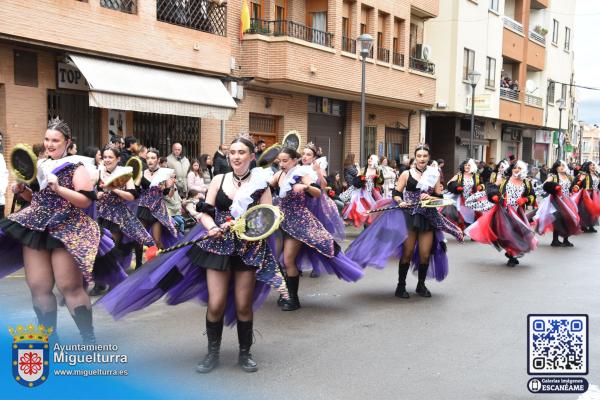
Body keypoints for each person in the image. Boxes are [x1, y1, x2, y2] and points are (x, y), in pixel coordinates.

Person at [99, 136, 287, 374]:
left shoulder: (261, 185)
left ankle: (244, 353)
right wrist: (212, 227)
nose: (236, 156)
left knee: (243, 306)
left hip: (247, 250)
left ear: (251, 156)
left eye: (241, 152)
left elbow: (266, 219)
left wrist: (243, 228)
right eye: (233, 152)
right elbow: (206, 212)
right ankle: (212, 353)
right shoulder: (219, 179)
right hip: (217, 246)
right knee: (216, 304)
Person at [0, 118, 100, 343]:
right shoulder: (41, 164)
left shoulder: (77, 165)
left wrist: (59, 188)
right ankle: (49, 339)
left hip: (66, 227)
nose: (50, 144)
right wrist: (22, 190)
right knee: (38, 286)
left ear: (67, 142)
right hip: (36, 225)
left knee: (69, 286)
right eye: (47, 139)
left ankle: (88, 338)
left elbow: (85, 201)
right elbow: (36, 198)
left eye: (55, 140)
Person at [346, 144, 464, 298]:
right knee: (407, 252)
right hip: (409, 215)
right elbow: (396, 192)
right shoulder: (406, 174)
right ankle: (400, 286)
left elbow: (440, 197)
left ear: (428, 158)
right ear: (415, 157)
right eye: (419, 156)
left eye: (425, 156)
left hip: (427, 216)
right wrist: (400, 201)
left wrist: (431, 197)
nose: (422, 159)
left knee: (425, 253)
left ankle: (421, 285)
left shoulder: (434, 174)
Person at [270, 147, 363, 310]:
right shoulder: (278, 175)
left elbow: (318, 192)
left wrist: (305, 188)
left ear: (294, 160)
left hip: (298, 221)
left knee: (288, 259)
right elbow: (264, 189)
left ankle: (293, 299)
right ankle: (284, 293)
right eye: (280, 161)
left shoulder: (301, 175)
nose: (282, 164)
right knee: (277, 259)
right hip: (279, 220)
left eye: (285, 161)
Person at [94, 147, 154, 294]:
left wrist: (113, 188)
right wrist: (98, 194)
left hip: (118, 215)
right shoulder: (98, 171)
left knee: (113, 248)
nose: (107, 159)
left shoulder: (125, 173)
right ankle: (99, 282)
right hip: (101, 214)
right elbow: (90, 191)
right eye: (105, 157)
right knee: (98, 248)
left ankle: (115, 280)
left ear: (118, 159)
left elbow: (132, 196)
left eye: (110, 157)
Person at [465, 160, 537, 267]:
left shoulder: (527, 182)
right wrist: (494, 195)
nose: (516, 170)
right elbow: (491, 187)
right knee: (506, 233)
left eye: (519, 168)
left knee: (517, 233)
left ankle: (512, 253)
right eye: (514, 168)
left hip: (518, 212)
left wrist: (525, 200)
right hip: (503, 211)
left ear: (523, 170)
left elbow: (532, 196)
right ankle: (511, 255)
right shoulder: (504, 180)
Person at [136, 148, 179, 249]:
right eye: (148, 158)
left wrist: (172, 185)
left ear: (158, 160)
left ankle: (162, 262)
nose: (150, 160)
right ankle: (139, 263)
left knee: (157, 240)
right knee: (140, 238)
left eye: (153, 158)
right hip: (143, 208)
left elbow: (169, 195)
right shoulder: (141, 173)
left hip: (158, 210)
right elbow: (136, 191)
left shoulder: (164, 173)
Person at [536, 160, 582, 247]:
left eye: (563, 166)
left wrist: (574, 188)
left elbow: (573, 186)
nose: (562, 167)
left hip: (567, 200)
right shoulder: (553, 177)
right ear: (556, 167)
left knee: (568, 219)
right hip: (555, 200)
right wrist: (554, 187)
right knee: (558, 219)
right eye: (559, 166)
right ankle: (555, 240)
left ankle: (566, 240)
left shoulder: (569, 177)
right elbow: (544, 186)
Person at [339, 154, 383, 227]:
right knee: (363, 209)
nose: (369, 159)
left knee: (373, 209)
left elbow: (381, 182)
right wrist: (362, 178)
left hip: (374, 192)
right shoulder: (363, 169)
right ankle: (366, 227)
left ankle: (371, 227)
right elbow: (358, 178)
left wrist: (377, 178)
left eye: (371, 158)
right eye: (369, 158)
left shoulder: (378, 170)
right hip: (363, 192)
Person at [443, 159, 485, 231]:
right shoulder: (459, 175)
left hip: (472, 198)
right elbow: (449, 183)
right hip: (461, 198)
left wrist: (480, 186)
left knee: (474, 215)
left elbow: (482, 184)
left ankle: (472, 231)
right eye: (466, 165)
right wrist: (456, 187)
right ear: (463, 166)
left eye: (469, 165)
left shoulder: (476, 176)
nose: (467, 166)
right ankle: (461, 230)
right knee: (461, 215)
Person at [572, 161, 600, 233]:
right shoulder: (584, 174)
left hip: (595, 194)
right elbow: (576, 182)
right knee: (585, 211)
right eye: (591, 165)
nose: (593, 166)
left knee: (593, 210)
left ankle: (591, 226)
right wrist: (577, 187)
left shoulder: (597, 174)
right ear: (587, 166)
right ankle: (583, 226)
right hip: (587, 194)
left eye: (594, 165)